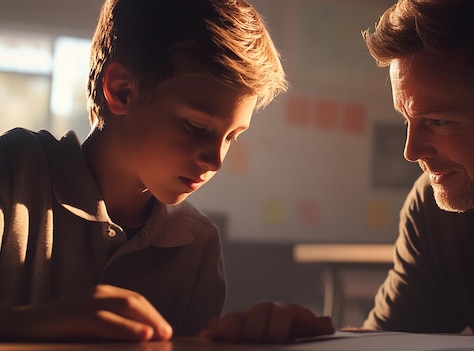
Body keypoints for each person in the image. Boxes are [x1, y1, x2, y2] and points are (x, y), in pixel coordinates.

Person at [200, 0, 474, 342]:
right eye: (407, 119)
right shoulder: (432, 208)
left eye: (438, 121)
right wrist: (303, 337)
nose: (411, 151)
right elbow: (390, 338)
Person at [0, 0, 287, 342]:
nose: (215, 161)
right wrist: (34, 325)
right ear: (122, 90)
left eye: (232, 137)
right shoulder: (14, 171)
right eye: (196, 126)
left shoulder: (197, 243)